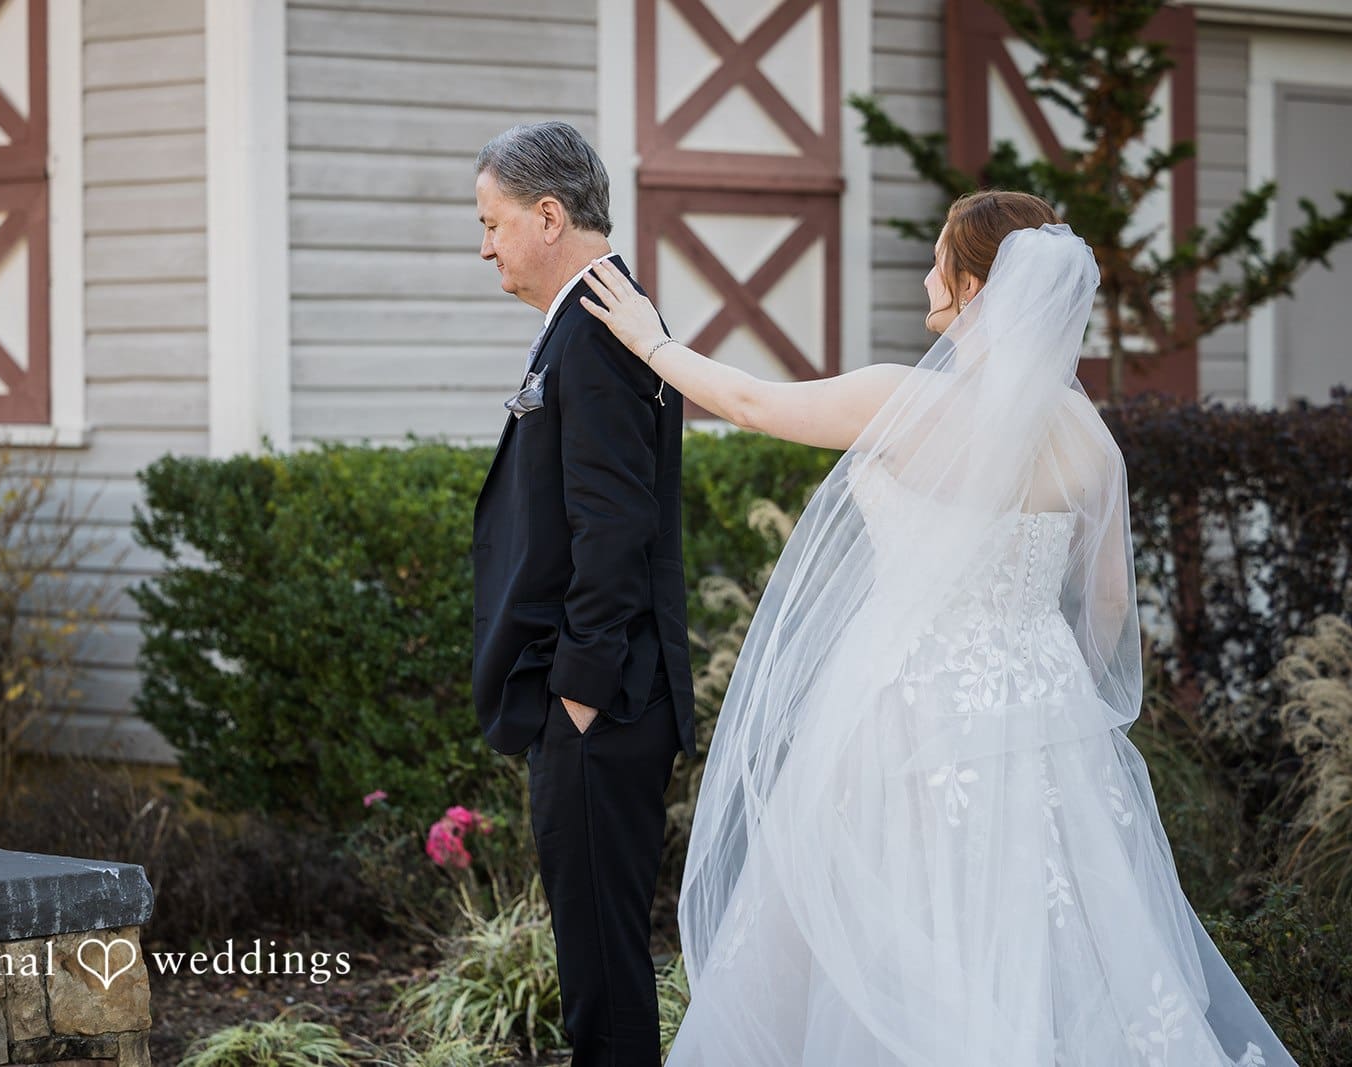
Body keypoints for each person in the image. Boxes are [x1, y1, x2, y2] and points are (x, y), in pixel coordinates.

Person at [579, 190, 1297, 1066]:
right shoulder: (1090, 441)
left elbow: (751, 401)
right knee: (1052, 940)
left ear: (970, 286)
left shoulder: (902, 402)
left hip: (903, 712)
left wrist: (652, 342)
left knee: (889, 925)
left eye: (937, 259)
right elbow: (1109, 606)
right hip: (1042, 714)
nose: (926, 273)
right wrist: (1048, 685)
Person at [469, 120, 697, 1066]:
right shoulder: (596, 313)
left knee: (602, 978)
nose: (484, 245)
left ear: (549, 216)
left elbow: (616, 525)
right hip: (599, 697)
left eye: (492, 222)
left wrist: (581, 689)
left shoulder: (598, 331)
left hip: (602, 704)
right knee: (597, 962)